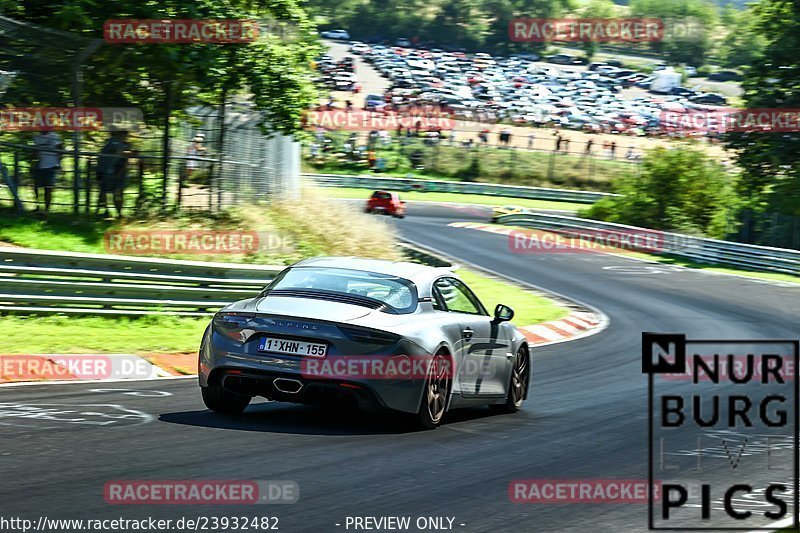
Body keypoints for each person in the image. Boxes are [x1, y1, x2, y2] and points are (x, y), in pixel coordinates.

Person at [96, 130, 134, 219]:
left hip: (109, 171)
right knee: (109, 192)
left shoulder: (116, 143)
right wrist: (132, 153)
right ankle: (106, 212)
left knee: (109, 192)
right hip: (107, 171)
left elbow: (123, 156)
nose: (125, 136)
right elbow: (120, 152)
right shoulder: (114, 142)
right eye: (123, 134)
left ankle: (107, 212)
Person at [32, 130, 63, 213]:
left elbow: (60, 150)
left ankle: (47, 209)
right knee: (36, 187)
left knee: (48, 189)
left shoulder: (55, 136)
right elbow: (35, 150)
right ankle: (38, 205)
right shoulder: (37, 137)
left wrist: (59, 164)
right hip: (40, 165)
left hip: (52, 165)